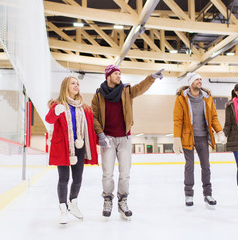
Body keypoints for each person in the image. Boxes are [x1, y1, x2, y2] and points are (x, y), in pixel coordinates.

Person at [91, 65, 164, 219]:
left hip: (124, 138)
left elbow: (140, 88)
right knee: (107, 173)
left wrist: (151, 78)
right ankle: (107, 200)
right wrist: (100, 134)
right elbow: (94, 117)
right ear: (108, 76)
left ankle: (123, 201)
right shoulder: (98, 95)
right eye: (116, 73)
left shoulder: (126, 90)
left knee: (124, 173)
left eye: (119, 73)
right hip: (108, 139)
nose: (119, 76)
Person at [45, 76, 98, 224]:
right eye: (73, 83)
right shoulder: (58, 104)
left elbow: (91, 127)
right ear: (65, 86)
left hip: (79, 146)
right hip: (63, 146)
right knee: (64, 179)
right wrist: (55, 112)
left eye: (78, 84)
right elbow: (49, 119)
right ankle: (63, 209)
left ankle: (72, 203)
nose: (76, 86)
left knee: (78, 178)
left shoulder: (84, 107)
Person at [173, 72, 225, 208]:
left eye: (201, 79)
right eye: (197, 79)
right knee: (189, 166)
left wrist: (219, 131)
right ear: (191, 82)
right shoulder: (181, 98)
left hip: (203, 137)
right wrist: (176, 138)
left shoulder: (207, 98)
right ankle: (188, 195)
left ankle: (208, 194)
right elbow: (178, 120)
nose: (200, 81)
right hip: (187, 136)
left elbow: (213, 117)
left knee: (206, 166)